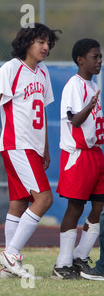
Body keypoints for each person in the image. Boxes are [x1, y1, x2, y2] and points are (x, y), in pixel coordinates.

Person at [0, 23, 60, 279]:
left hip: (32, 147)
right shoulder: (11, 67)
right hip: (17, 145)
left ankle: (7, 268)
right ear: (27, 43)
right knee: (44, 199)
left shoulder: (43, 73)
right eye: (40, 42)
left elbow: (41, 113)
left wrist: (45, 148)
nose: (45, 47)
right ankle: (11, 254)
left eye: (47, 43)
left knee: (19, 202)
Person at [52, 38, 103, 280]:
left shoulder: (93, 86)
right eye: (95, 57)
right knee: (75, 207)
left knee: (100, 206)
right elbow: (74, 121)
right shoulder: (75, 84)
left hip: (95, 153)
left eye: (100, 56)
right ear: (81, 60)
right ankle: (62, 265)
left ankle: (80, 256)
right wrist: (90, 106)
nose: (99, 61)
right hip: (78, 154)